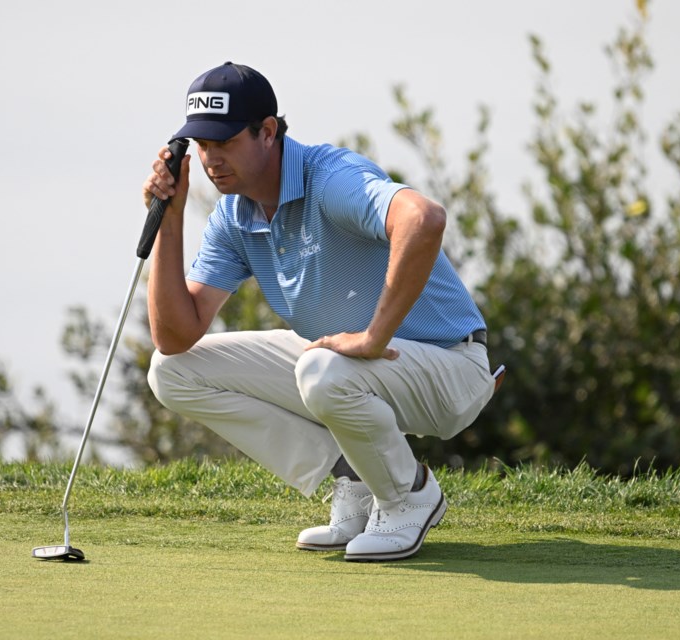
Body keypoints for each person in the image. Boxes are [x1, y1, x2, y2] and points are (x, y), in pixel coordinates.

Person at [142, 61, 497, 561]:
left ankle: (407, 495)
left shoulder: (330, 178)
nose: (210, 159)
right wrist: (170, 220)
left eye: (224, 142)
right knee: (173, 371)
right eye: (201, 146)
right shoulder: (235, 214)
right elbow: (175, 336)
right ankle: (353, 480)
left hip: (450, 368)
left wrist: (374, 336)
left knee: (322, 369)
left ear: (267, 132)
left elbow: (423, 218)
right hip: (347, 367)